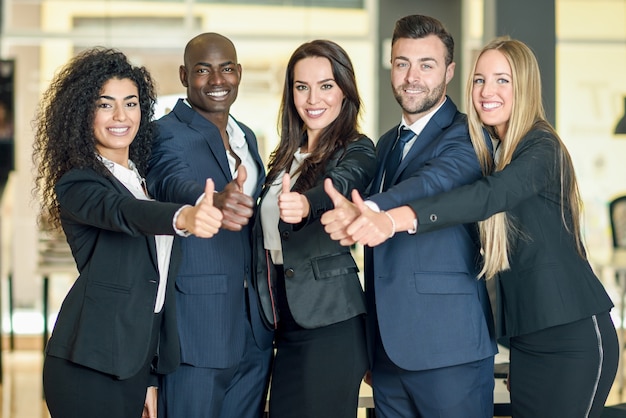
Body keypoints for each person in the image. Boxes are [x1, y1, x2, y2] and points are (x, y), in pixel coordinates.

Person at [328, 36, 620, 418]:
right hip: (527, 341)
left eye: (503, 80)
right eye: (480, 80)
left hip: (572, 334)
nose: (487, 91)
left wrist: (390, 219)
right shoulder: (494, 152)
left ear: (525, 87)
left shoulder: (541, 146)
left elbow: (485, 197)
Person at [320, 15, 498, 418]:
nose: (411, 76)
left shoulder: (469, 135)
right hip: (387, 355)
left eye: (426, 64)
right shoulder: (387, 144)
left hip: (448, 350)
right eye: (402, 63)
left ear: (450, 71)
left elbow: (432, 181)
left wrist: (374, 207)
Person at [32, 47, 223, 418]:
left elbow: (155, 288)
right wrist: (183, 217)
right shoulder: (78, 182)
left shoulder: (141, 180)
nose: (121, 116)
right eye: (105, 105)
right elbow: (123, 213)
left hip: (132, 366)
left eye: (131, 103)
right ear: (82, 113)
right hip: (88, 365)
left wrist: (149, 376)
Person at [146, 33, 273, 418]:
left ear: (239, 73)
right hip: (198, 331)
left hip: (255, 330)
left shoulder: (246, 135)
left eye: (226, 69)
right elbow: (169, 179)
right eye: (203, 70)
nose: (217, 80)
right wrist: (211, 200)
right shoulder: (163, 132)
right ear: (185, 75)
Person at [251, 39, 375, 418]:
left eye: (325, 86)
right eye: (301, 87)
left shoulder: (357, 148)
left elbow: (342, 181)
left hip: (330, 322)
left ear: (344, 91)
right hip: (283, 324)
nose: (312, 98)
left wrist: (305, 204)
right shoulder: (284, 158)